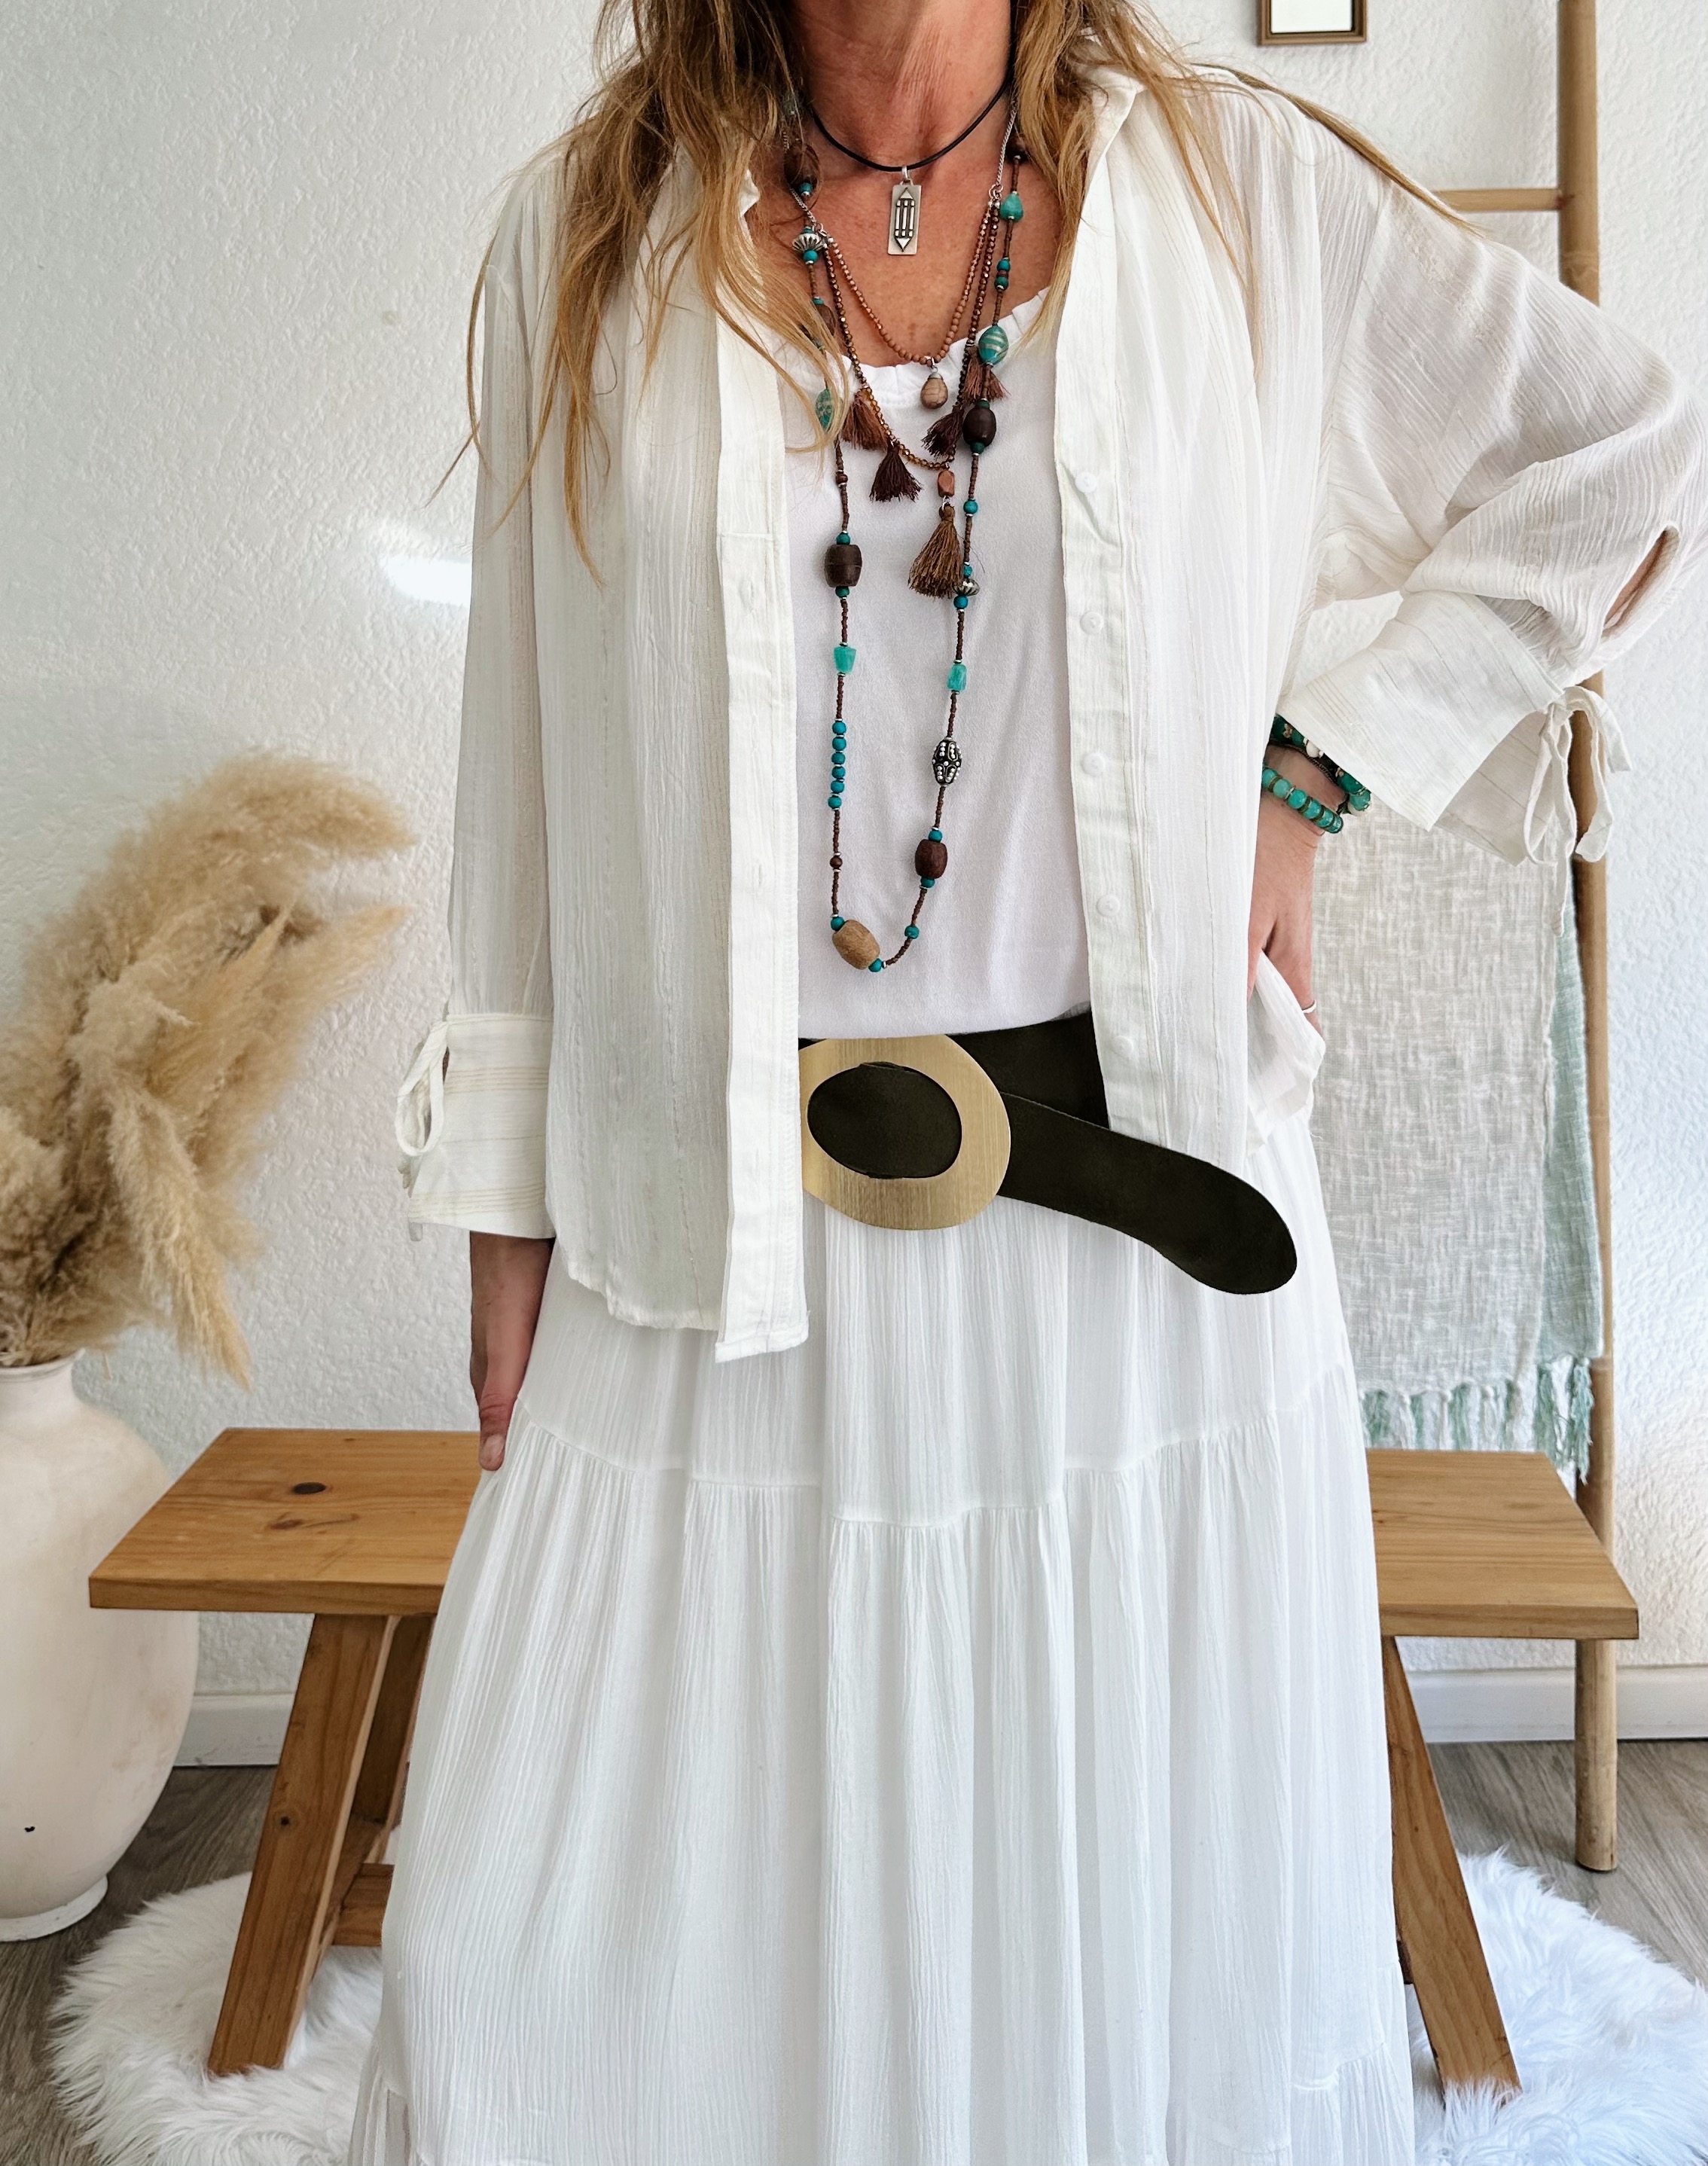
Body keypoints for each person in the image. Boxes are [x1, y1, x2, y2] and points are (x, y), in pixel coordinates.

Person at [356, 2, 1707, 2158]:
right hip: (709, 1242)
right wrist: (505, 1200)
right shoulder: (587, 231)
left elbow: (1619, 454)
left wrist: (1315, 775)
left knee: (1111, 1955)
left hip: (1133, 1274)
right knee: (551, 1941)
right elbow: (517, 743)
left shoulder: (1240, 196)